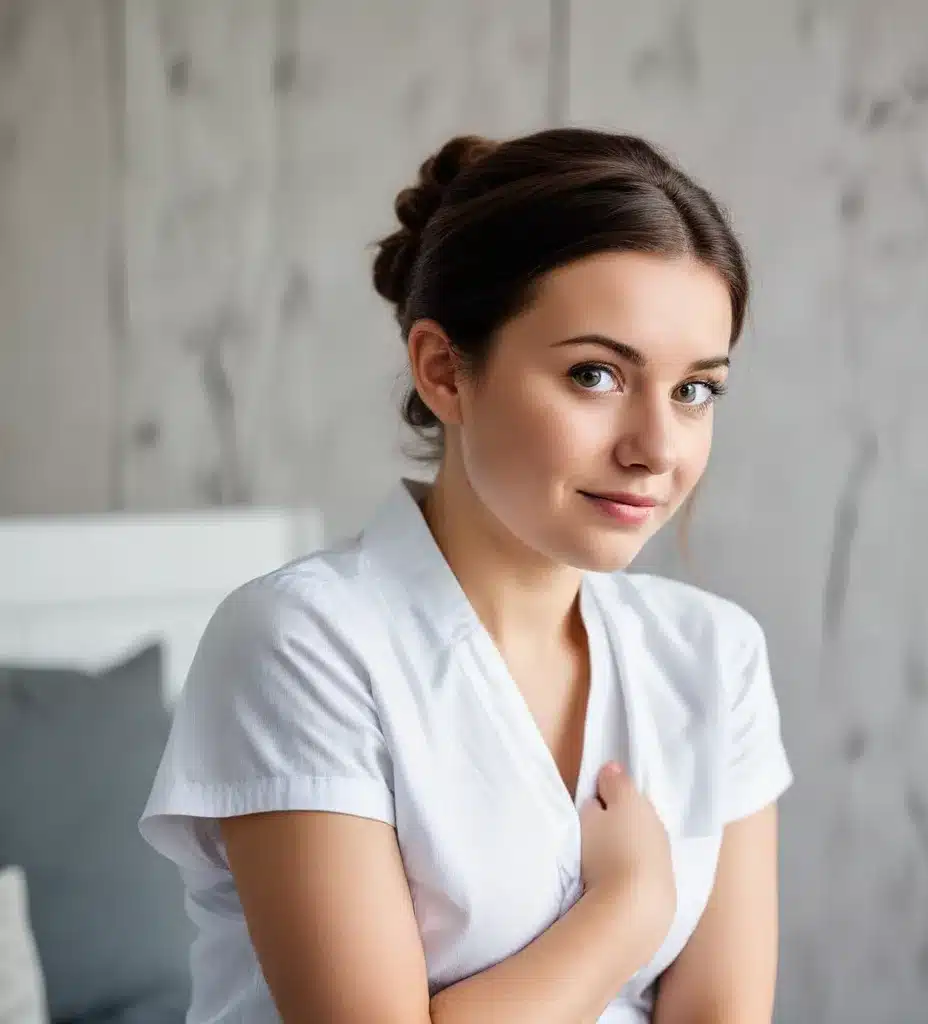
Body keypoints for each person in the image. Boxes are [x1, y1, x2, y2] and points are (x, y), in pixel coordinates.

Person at [140, 127, 793, 1024]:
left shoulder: (715, 655)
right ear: (444, 372)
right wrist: (624, 911)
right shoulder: (302, 643)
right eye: (597, 375)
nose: (657, 450)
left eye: (694, 390)